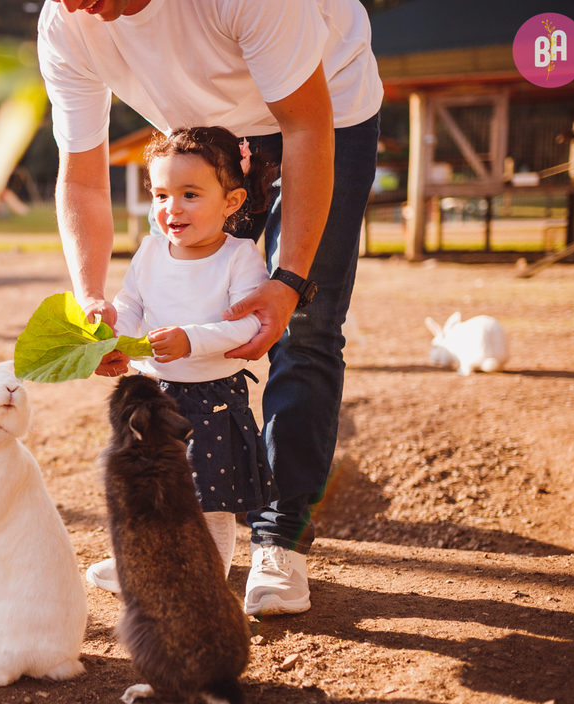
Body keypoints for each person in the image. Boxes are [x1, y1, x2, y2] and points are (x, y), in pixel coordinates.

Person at [38, 0, 383, 615]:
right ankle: (166, 543)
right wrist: (92, 298)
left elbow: (306, 128)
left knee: (302, 326)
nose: (71, 2)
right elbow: (84, 177)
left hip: (321, 113)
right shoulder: (66, 23)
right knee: (176, 293)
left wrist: (288, 280)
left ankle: (281, 540)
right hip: (201, 139)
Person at [86, 126, 278, 592]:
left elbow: (249, 325)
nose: (172, 208)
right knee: (148, 484)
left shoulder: (239, 258)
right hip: (153, 393)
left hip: (212, 395)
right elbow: (130, 305)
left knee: (211, 493)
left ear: (231, 202)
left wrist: (191, 340)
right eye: (162, 194)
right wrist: (116, 333)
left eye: (190, 194)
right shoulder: (151, 250)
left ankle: (208, 574)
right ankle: (142, 561)